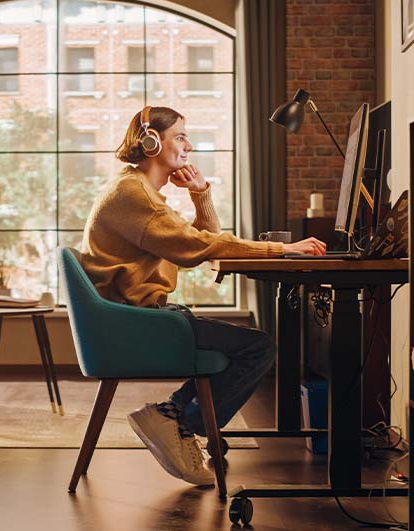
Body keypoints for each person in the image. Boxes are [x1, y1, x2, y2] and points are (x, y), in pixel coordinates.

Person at [79, 106, 325, 486]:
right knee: (258, 347)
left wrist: (200, 194)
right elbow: (204, 246)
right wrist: (285, 250)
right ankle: (180, 422)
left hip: (136, 317)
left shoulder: (136, 189)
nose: (188, 145)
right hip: (133, 323)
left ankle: (174, 417)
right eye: (179, 136)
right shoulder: (133, 195)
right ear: (150, 141)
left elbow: (204, 241)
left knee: (239, 344)